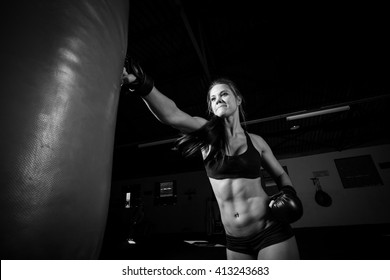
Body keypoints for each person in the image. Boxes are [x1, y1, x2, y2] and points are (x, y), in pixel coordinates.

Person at [121, 59, 303, 260]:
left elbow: (279, 173)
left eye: (224, 94)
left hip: (270, 231)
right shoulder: (206, 134)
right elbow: (171, 115)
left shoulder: (257, 142)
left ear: (238, 99)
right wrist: (141, 84)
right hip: (235, 241)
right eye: (213, 98)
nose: (219, 99)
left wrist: (288, 192)